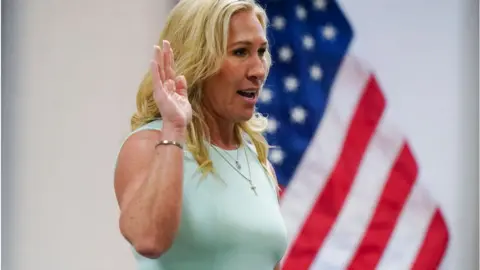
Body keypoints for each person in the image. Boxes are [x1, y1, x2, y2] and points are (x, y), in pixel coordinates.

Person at [113, 0, 288, 269]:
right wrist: (174, 128)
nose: (258, 70)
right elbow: (149, 240)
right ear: (199, 61)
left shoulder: (258, 160)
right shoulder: (149, 144)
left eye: (261, 52)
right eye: (240, 52)